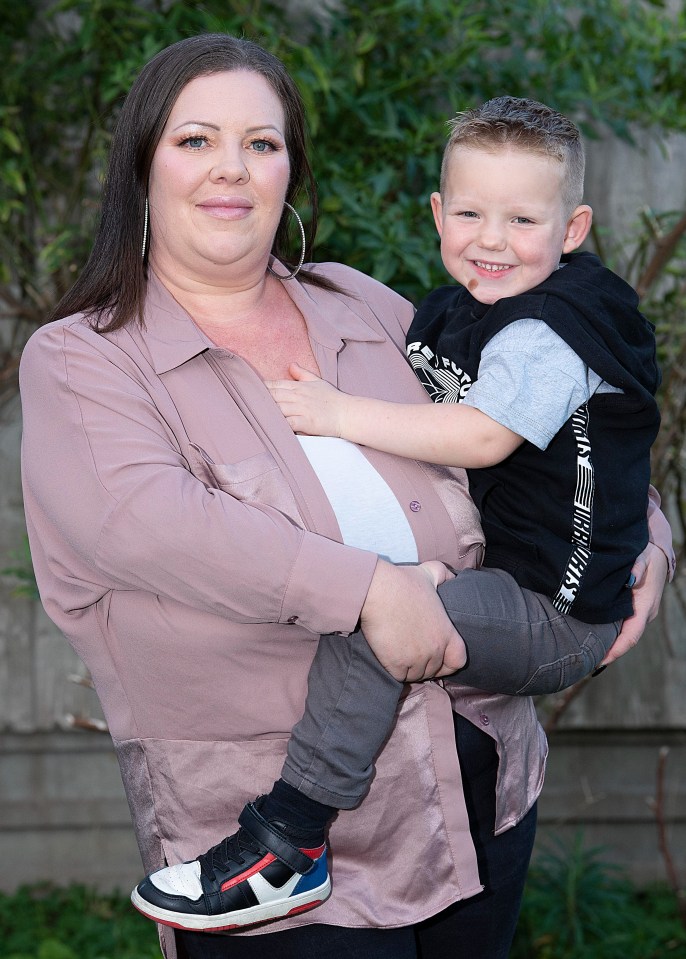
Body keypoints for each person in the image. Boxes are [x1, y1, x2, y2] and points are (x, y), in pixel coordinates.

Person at [18, 36, 671, 959]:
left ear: (291, 169)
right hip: (269, 849)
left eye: (264, 143)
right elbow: (147, 523)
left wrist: (647, 540)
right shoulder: (84, 360)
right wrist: (371, 589)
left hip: (471, 795)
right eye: (196, 140)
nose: (232, 170)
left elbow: (545, 426)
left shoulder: (362, 306)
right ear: (141, 163)